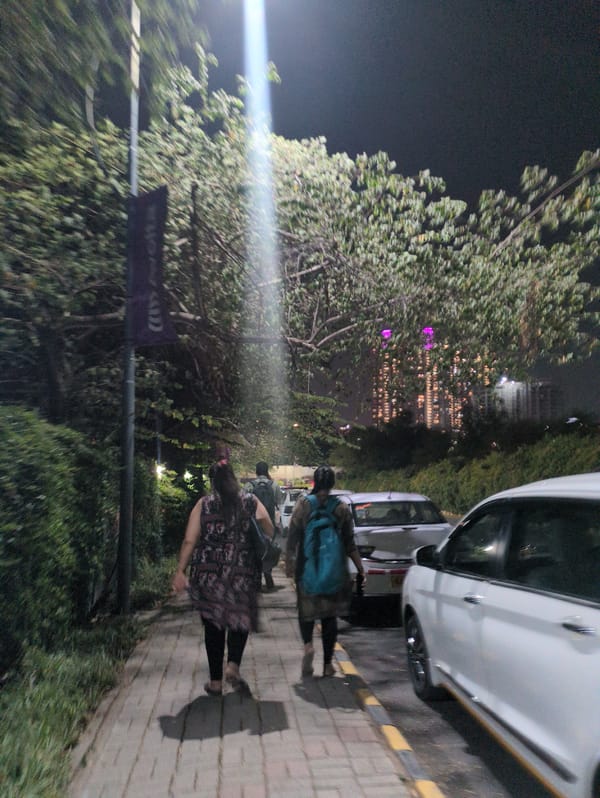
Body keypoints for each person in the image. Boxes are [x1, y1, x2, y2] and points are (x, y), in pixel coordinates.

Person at [172, 461, 274, 696]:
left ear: (213, 482)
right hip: (242, 572)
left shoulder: (204, 504)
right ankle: (233, 666)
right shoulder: (249, 501)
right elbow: (269, 528)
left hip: (209, 575)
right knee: (239, 619)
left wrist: (180, 571)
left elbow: (190, 540)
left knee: (213, 625)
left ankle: (215, 682)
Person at [286, 465, 365, 678]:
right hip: (333, 571)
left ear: (315, 482)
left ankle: (308, 646)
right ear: (331, 484)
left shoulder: (303, 505)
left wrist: (289, 562)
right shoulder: (340, 508)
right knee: (329, 618)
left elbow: (292, 536)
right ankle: (328, 664)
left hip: (307, 568)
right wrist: (360, 568)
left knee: (306, 612)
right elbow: (349, 543)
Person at [247, 461, 284, 591]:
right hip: (269, 524)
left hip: (253, 524)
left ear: (256, 471)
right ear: (267, 471)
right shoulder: (274, 485)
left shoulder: (249, 486)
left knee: (254, 550)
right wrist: (278, 523)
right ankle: (268, 573)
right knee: (269, 549)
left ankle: (256, 578)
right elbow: (279, 504)